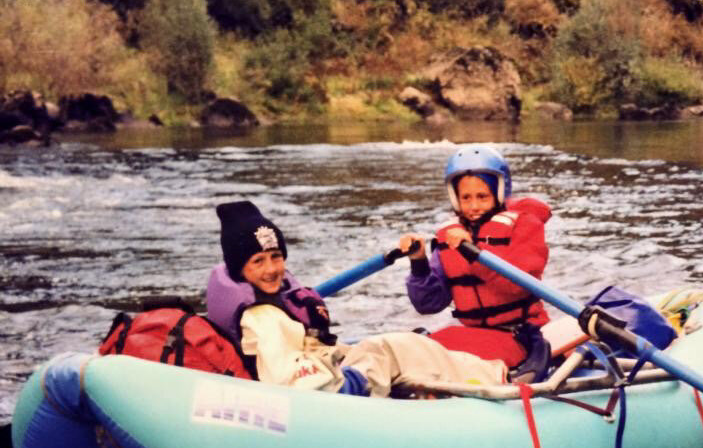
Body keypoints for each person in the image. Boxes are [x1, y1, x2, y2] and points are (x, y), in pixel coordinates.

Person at [206, 200, 507, 397]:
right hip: (333, 393)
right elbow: (294, 385)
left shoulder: (267, 300)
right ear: (240, 268)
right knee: (396, 347)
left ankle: (488, 375)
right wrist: (356, 378)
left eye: (276, 257)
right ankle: (499, 380)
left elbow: (306, 349)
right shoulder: (261, 318)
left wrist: (343, 353)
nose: (272, 269)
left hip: (326, 372)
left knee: (402, 343)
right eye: (258, 261)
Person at [399, 144, 552, 381]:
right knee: (410, 350)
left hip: (520, 336)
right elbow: (428, 304)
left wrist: (475, 252)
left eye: (482, 197)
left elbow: (518, 284)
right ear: (455, 198)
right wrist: (419, 264)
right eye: (466, 198)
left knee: (430, 358)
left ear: (499, 194)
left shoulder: (525, 226)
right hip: (475, 334)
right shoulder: (450, 237)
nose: (473, 206)